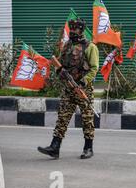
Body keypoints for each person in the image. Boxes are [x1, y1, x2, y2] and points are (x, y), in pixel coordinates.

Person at [38, 18, 99, 159]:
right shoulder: (67, 45)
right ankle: (55, 147)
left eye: (75, 29)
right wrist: (60, 71)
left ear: (81, 30)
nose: (72, 31)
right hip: (69, 88)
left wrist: (84, 82)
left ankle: (88, 148)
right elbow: (60, 64)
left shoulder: (90, 47)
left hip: (84, 89)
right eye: (71, 29)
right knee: (62, 118)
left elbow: (94, 68)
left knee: (87, 119)